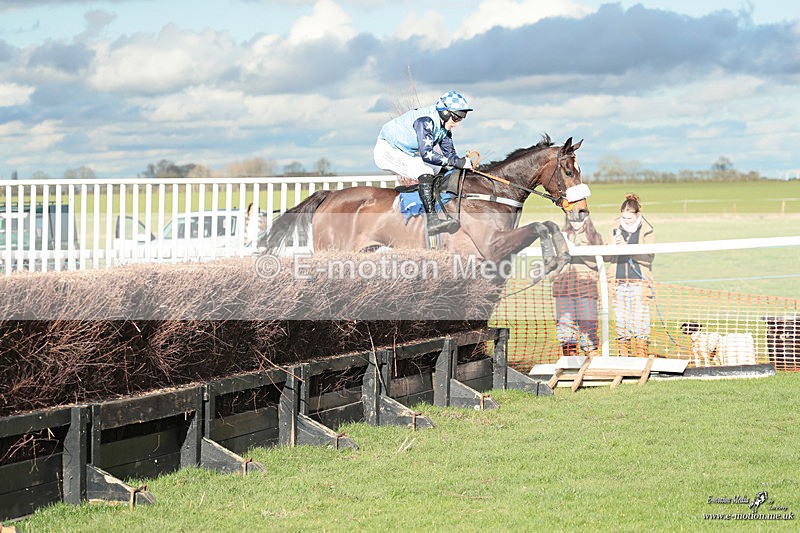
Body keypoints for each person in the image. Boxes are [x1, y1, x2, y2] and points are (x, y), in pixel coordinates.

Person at [373, 90, 474, 235]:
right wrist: (455, 162)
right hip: (387, 150)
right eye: (456, 118)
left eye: (461, 118)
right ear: (445, 112)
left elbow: (451, 156)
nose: (457, 123)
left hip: (403, 152)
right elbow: (427, 155)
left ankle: (439, 207)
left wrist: (464, 163)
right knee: (424, 170)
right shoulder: (425, 121)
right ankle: (432, 221)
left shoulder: (444, 128)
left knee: (443, 170)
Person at [608, 193, 655, 358]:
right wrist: (611, 247)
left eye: (629, 218)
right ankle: (623, 355)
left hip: (639, 284)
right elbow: (606, 257)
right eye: (623, 218)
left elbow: (649, 258)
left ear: (637, 215)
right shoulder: (614, 228)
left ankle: (642, 355)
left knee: (640, 321)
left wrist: (628, 249)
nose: (625, 221)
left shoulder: (647, 230)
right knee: (621, 321)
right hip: (618, 283)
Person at [552, 214, 603, 358]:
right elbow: (552, 263)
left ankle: (591, 355)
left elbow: (597, 262)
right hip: (563, 288)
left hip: (585, 287)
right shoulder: (560, 237)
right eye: (571, 219)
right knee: (565, 327)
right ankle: (570, 358)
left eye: (578, 220)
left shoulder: (594, 237)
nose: (574, 223)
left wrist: (576, 248)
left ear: (586, 218)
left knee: (588, 324)